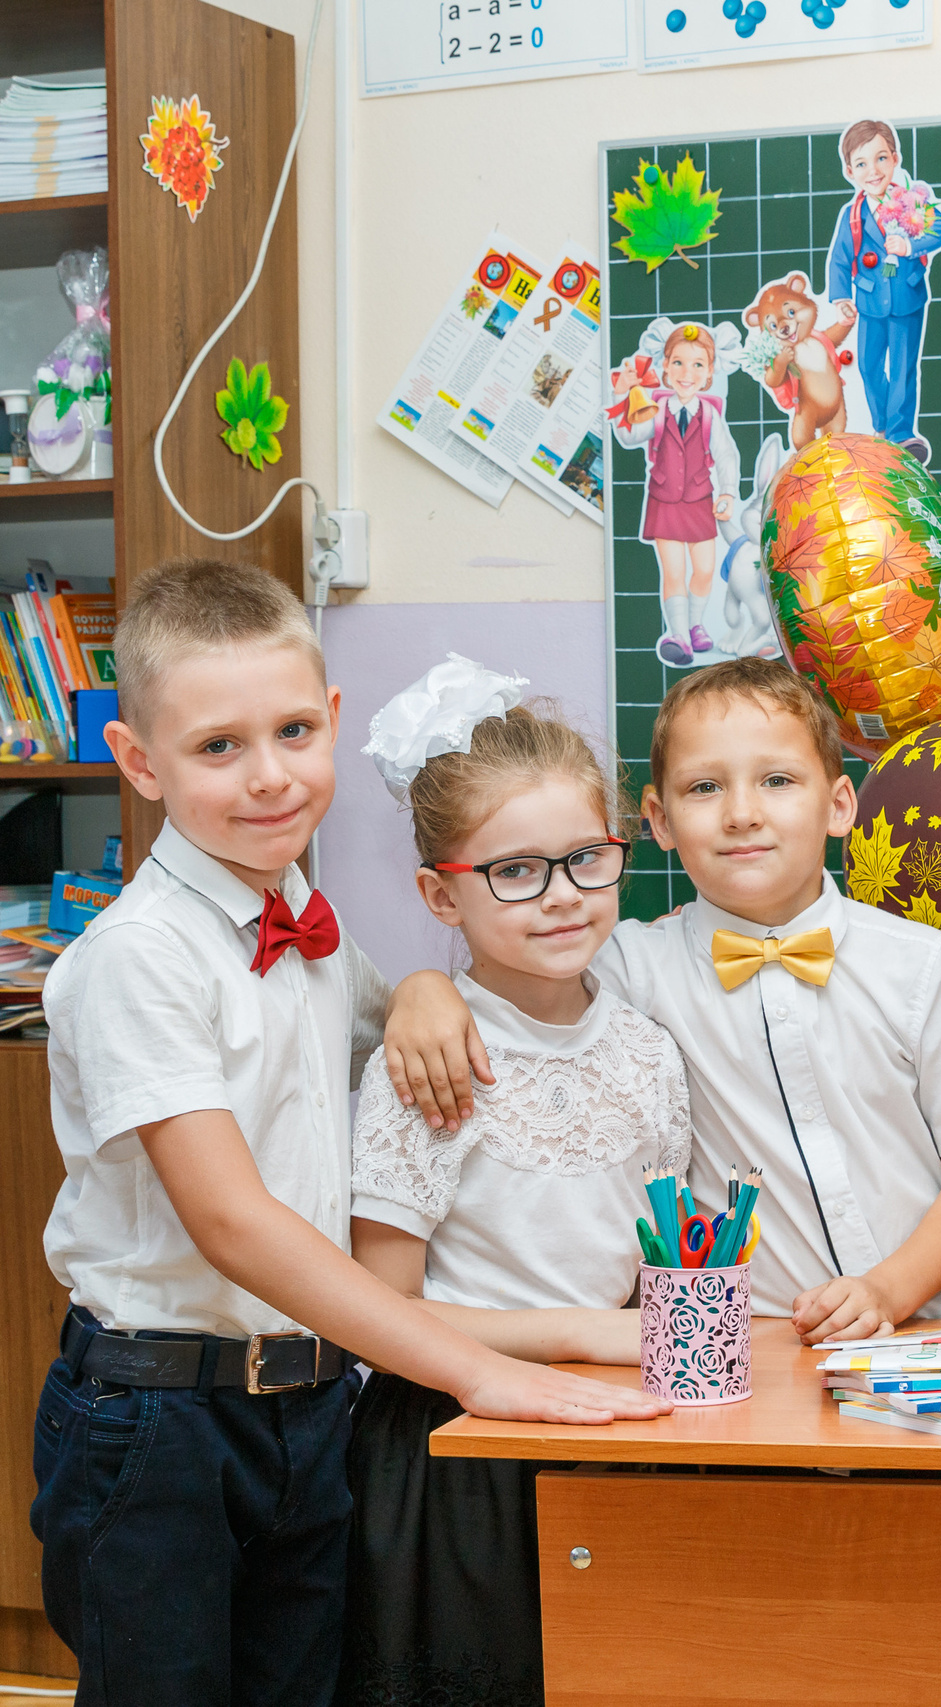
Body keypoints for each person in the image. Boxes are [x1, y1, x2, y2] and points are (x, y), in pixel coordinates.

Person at [35, 563, 661, 1705]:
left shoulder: (308, 931)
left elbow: (408, 1022)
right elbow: (229, 1221)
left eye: (289, 732)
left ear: (331, 724)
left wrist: (426, 990)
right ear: (139, 762)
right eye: (217, 747)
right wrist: (476, 1370)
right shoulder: (140, 958)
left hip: (309, 1410)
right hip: (161, 1417)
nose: (268, 776)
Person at [385, 658, 941, 1345]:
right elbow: (504, 971)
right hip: (749, 1351)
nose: (742, 813)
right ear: (658, 821)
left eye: (777, 780)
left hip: (934, 1335)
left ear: (840, 803)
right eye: (704, 787)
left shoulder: (925, 965)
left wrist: (888, 1289)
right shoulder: (621, 967)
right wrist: (421, 989)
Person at [338, 661, 694, 1707]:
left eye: (586, 860)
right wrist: (580, 1336)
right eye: (515, 873)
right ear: (441, 893)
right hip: (454, 1449)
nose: (562, 898)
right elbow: (382, 1306)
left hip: (609, 1430)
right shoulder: (429, 1059)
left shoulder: (646, 1052)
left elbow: (647, 1264)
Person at [611, 317, 742, 666]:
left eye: (698, 364)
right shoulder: (654, 407)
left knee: (703, 570)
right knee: (673, 571)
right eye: (679, 362)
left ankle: (696, 624)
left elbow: (726, 454)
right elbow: (628, 437)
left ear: (710, 372)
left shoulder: (712, 413)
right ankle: (679, 635)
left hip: (699, 499)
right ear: (665, 367)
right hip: (664, 499)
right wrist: (622, 394)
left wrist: (727, 491)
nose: (688, 372)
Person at [823, 119, 941, 464]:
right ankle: (881, 424)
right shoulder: (852, 214)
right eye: (862, 164)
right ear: (850, 171)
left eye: (881, 158)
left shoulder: (912, 200)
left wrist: (910, 246)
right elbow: (840, 257)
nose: (873, 170)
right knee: (867, 366)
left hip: (907, 298)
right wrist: (840, 298)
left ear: (895, 158)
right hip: (868, 300)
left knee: (903, 368)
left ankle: (900, 435)